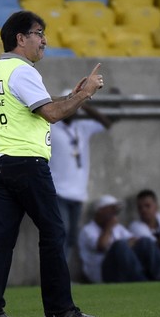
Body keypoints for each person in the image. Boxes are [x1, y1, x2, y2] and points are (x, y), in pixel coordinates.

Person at [0, 10, 104, 317]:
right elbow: (51, 114)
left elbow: (38, 106)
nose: (44, 40)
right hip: (26, 163)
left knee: (2, 238)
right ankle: (59, 308)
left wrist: (72, 95)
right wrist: (85, 95)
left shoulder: (0, 69)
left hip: (0, 161)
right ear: (21, 38)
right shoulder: (23, 71)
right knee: (53, 231)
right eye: (38, 33)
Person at [49, 102, 112, 266]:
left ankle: (62, 275)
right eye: (70, 107)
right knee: (61, 234)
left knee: (71, 238)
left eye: (74, 108)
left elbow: (106, 122)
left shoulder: (81, 127)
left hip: (78, 193)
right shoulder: (51, 127)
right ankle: (56, 278)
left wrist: (83, 104)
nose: (72, 112)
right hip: (58, 192)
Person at [78, 195, 160, 283]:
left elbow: (135, 240)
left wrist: (123, 244)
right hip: (102, 273)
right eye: (111, 209)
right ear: (100, 211)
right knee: (120, 246)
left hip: (120, 269)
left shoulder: (117, 227)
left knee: (145, 241)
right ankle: (141, 281)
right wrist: (109, 228)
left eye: (116, 210)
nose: (115, 214)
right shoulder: (87, 230)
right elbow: (102, 246)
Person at [129, 189, 160, 279]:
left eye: (147, 206)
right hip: (155, 267)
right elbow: (153, 248)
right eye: (140, 207)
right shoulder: (135, 226)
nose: (143, 210)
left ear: (156, 207)